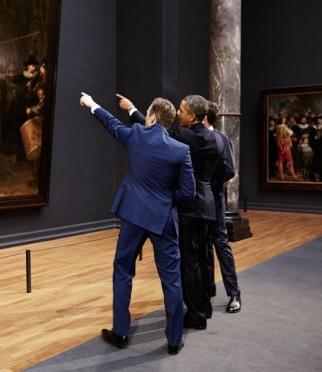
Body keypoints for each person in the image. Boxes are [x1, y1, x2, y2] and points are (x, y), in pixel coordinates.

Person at [79, 91, 196, 355]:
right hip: (163, 219)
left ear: (152, 117)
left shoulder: (135, 136)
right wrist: (166, 201)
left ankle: (121, 332)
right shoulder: (181, 150)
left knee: (123, 270)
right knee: (171, 280)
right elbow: (188, 193)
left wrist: (92, 104)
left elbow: (112, 124)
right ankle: (174, 340)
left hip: (133, 216)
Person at [166, 95, 225, 330]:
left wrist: (132, 111)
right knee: (203, 259)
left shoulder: (187, 135)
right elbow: (221, 175)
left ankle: (196, 315)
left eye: (181, 110)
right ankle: (205, 307)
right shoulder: (217, 139)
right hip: (208, 205)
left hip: (190, 207)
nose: (178, 114)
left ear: (192, 116)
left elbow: (157, 129)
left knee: (189, 263)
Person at [204, 101, 241, 313]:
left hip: (215, 199)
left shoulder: (221, 138)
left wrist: (208, 186)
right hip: (197, 202)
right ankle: (208, 289)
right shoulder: (192, 137)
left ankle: (234, 293)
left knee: (221, 243)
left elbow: (230, 170)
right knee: (203, 245)